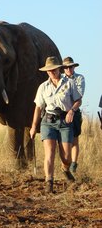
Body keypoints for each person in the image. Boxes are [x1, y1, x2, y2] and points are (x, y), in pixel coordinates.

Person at [30, 56, 82, 193]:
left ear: (59, 69)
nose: (52, 72)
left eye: (54, 69)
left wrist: (72, 110)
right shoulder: (43, 87)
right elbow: (38, 107)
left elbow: (78, 100)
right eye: (49, 70)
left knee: (67, 158)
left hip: (65, 121)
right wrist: (34, 126)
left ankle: (65, 168)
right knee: (50, 153)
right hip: (48, 122)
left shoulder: (69, 83)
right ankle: (49, 182)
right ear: (46, 71)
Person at [61, 57, 85, 173]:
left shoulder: (79, 78)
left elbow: (79, 95)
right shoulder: (60, 79)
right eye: (66, 67)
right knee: (63, 140)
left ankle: (74, 164)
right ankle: (65, 164)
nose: (68, 69)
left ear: (74, 67)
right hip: (62, 113)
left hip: (74, 111)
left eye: (70, 66)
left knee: (74, 139)